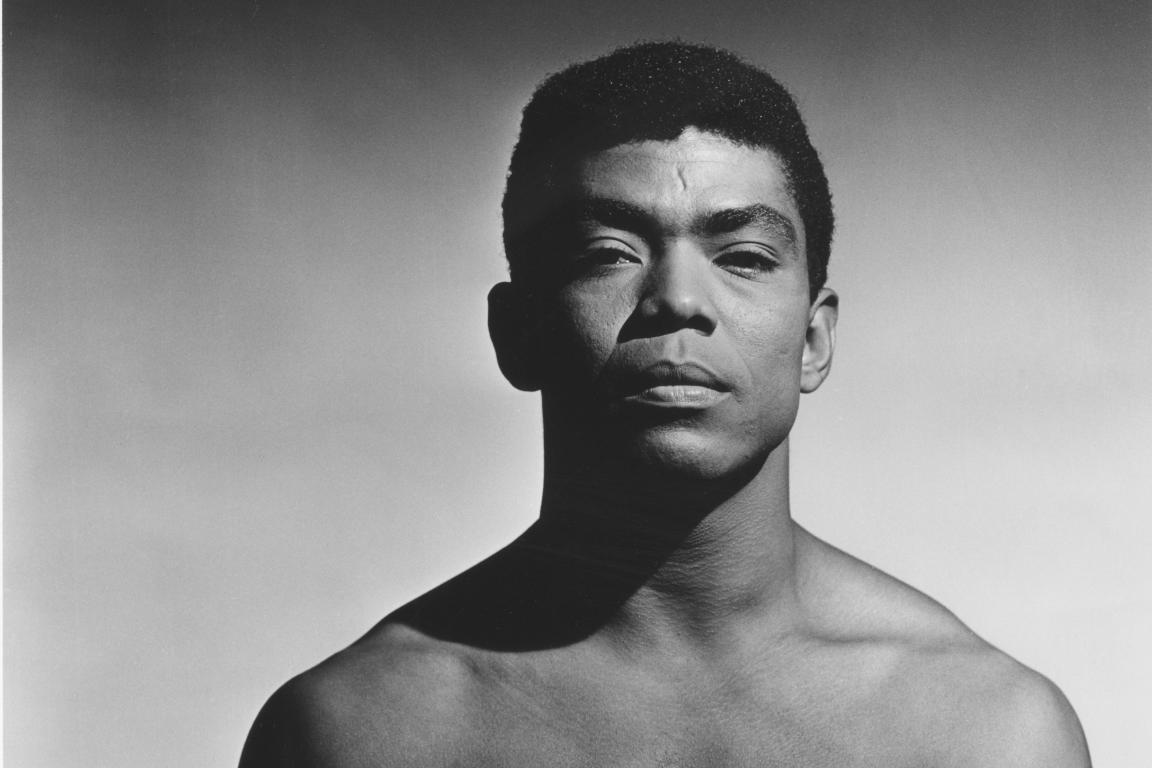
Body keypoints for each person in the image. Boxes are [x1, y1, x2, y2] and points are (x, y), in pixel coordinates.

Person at [239, 41, 1090, 767]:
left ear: (816, 340)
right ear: (518, 331)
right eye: (608, 252)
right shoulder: (361, 734)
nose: (678, 298)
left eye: (746, 256)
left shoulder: (980, 734)